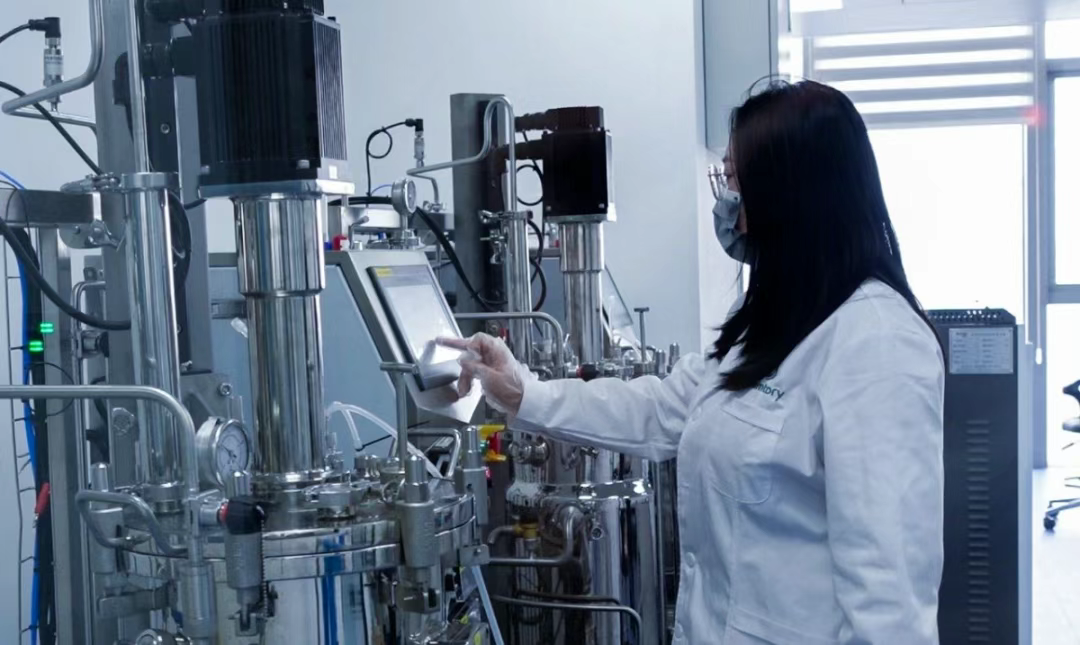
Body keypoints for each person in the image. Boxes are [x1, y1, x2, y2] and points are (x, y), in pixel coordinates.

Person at [441, 80, 945, 645]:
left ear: (788, 193)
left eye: (734, 181)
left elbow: (888, 604)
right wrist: (523, 391)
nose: (727, 205)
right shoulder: (775, 314)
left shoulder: (876, 343)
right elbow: (665, 408)